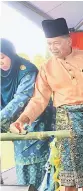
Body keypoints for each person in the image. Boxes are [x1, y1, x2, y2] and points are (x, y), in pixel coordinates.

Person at [10, 18, 83, 191]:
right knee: (68, 176)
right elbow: (39, 99)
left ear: (69, 41)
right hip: (65, 121)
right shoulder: (46, 68)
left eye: (56, 43)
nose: (52, 47)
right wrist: (23, 119)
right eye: (49, 44)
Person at [1, 38, 55, 190]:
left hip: (37, 124)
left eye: (2, 57)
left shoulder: (27, 70)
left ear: (11, 54)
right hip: (17, 127)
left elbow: (21, 99)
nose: (0, 62)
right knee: (23, 171)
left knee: (42, 171)